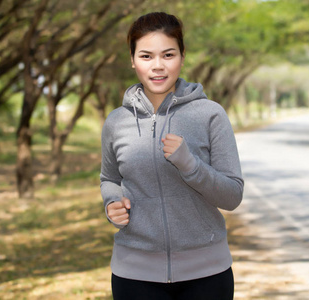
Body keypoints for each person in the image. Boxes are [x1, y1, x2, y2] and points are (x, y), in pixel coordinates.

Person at [100, 11, 244, 300]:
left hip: (207, 274)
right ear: (132, 60)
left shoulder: (210, 114)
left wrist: (190, 165)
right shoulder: (116, 122)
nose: (157, 67)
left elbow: (232, 196)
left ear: (182, 56)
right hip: (134, 274)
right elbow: (109, 178)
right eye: (146, 56)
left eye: (168, 55)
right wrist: (112, 203)